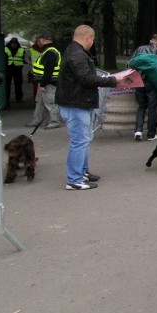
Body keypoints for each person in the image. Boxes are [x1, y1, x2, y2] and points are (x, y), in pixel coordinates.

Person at [55, 25, 119, 190]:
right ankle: (74, 179)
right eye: (93, 39)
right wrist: (113, 81)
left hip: (77, 101)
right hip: (77, 103)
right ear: (88, 38)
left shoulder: (73, 51)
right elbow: (86, 79)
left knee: (83, 139)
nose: (92, 42)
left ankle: (81, 172)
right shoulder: (77, 55)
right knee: (80, 141)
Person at [131, 33, 157, 141]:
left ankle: (138, 131)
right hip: (152, 82)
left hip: (139, 81)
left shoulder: (140, 49)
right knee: (152, 108)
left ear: (151, 40)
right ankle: (151, 134)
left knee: (141, 106)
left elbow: (130, 63)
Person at [27, 33, 62, 129]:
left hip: (48, 82)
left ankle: (55, 121)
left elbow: (48, 70)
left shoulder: (50, 52)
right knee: (40, 102)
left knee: (50, 102)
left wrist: (43, 84)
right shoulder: (48, 51)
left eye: (40, 40)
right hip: (45, 82)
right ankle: (36, 120)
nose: (39, 42)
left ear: (44, 40)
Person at [4, 37, 26, 103]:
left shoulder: (22, 50)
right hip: (8, 69)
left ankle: (19, 98)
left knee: (18, 84)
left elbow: (25, 59)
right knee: (7, 85)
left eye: (15, 44)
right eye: (12, 44)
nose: (14, 45)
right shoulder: (5, 49)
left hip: (18, 69)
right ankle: (6, 99)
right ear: (10, 43)